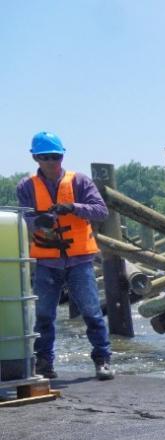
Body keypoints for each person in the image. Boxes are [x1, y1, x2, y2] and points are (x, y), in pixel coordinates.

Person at [15, 131, 113, 381]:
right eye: (46, 157)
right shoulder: (26, 187)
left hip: (79, 261)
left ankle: (103, 360)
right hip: (47, 263)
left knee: (92, 312)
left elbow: (101, 211)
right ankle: (44, 364)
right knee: (44, 315)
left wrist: (73, 208)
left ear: (62, 156)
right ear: (36, 158)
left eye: (56, 156)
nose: (51, 162)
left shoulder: (79, 182)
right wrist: (39, 221)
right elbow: (24, 221)